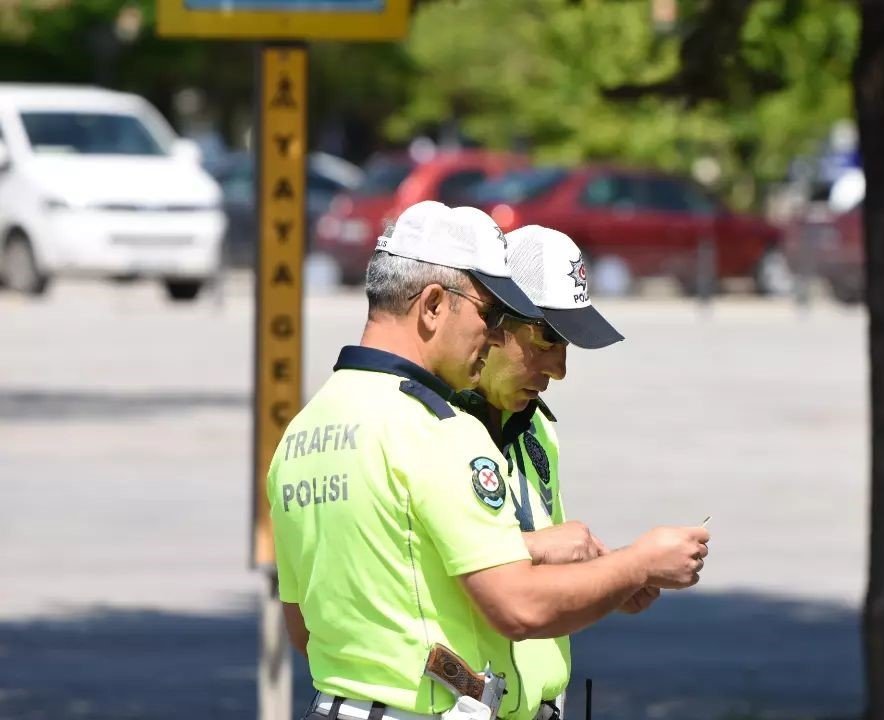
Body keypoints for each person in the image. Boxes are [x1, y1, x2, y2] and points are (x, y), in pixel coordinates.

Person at [268, 200, 710, 720]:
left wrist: (592, 573)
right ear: (433, 305)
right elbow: (516, 604)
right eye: (492, 314)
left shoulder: (304, 430)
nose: (489, 333)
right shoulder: (434, 428)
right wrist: (635, 562)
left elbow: (306, 625)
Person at [452, 225, 644, 720]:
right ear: (491, 321)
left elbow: (545, 561)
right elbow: (410, 568)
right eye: (546, 339)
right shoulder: (431, 426)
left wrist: (607, 577)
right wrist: (539, 551)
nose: (559, 369)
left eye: (567, 345)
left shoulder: (539, 432)